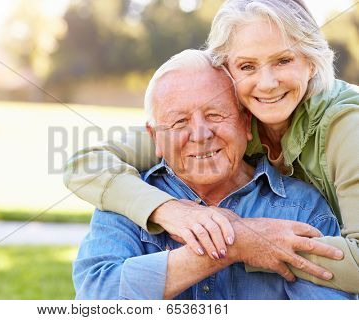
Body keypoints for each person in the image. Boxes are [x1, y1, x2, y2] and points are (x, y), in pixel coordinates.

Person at [65, 0, 359, 292]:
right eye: (247, 66)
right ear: (227, 72)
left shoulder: (346, 128)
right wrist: (168, 211)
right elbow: (88, 163)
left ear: (311, 62)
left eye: (283, 60)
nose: (267, 83)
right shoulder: (236, 117)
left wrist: (247, 241)